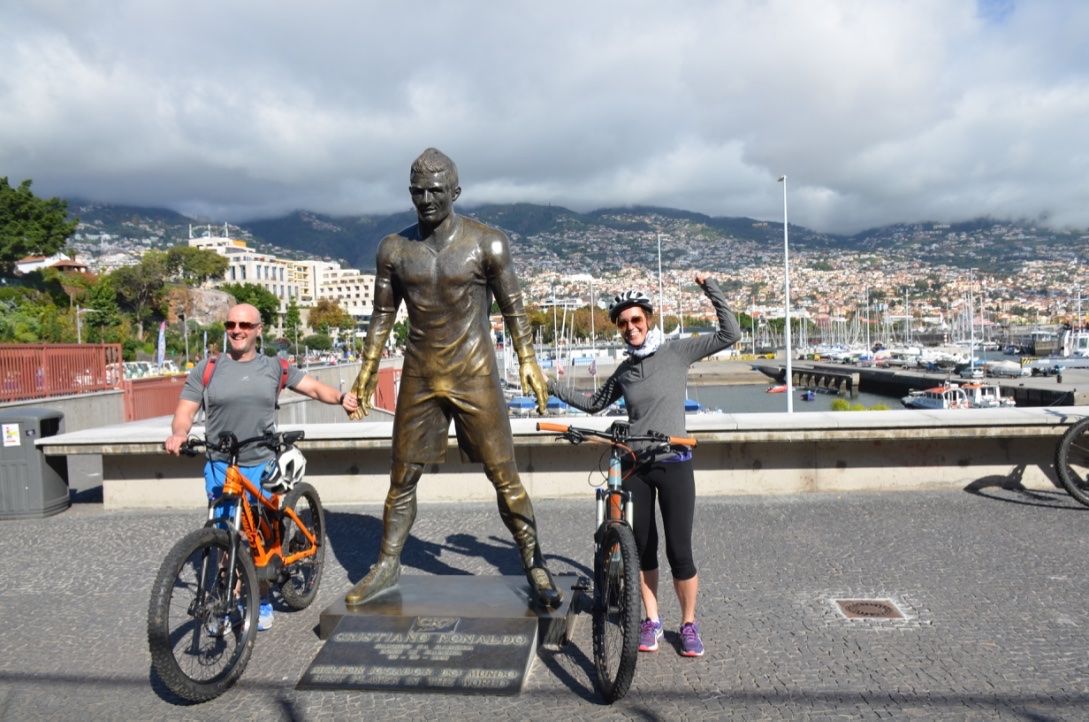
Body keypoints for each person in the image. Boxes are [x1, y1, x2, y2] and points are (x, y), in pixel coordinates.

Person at [345, 148, 562, 608]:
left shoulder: (488, 243)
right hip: (421, 375)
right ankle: (387, 564)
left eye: (436, 191)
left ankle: (534, 563)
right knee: (401, 477)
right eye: (417, 191)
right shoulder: (394, 250)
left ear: (455, 192)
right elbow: (382, 315)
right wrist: (366, 370)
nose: (425, 199)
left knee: (504, 475)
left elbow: (514, 307)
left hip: (474, 372)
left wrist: (528, 359)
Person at [548, 274, 741, 657]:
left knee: (680, 553)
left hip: (674, 462)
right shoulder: (624, 372)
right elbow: (592, 404)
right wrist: (548, 386)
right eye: (623, 323)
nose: (631, 327)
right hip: (635, 463)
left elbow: (730, 334)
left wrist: (709, 288)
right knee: (642, 549)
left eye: (636, 320)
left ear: (648, 320)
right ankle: (650, 619)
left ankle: (688, 624)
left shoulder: (676, 353)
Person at [164, 302, 359, 630]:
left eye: (244, 325)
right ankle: (226, 604)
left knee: (263, 537)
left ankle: (263, 595)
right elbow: (185, 409)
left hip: (262, 462)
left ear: (258, 330)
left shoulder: (275, 367)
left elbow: (312, 386)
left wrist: (340, 398)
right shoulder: (208, 368)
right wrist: (178, 434)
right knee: (226, 535)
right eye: (230, 325)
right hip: (220, 464)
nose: (236, 330)